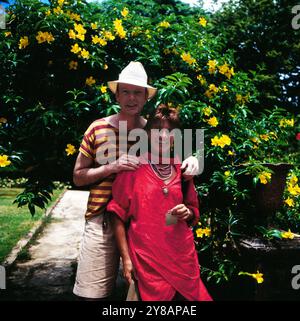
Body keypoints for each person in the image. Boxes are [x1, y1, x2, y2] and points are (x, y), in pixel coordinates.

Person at [73, 61, 200, 300]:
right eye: (126, 92)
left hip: (144, 223)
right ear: (117, 94)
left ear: (145, 97)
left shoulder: (151, 129)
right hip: (103, 218)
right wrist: (111, 167)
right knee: (92, 293)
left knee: (146, 292)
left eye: (137, 92)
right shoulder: (97, 128)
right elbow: (78, 177)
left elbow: (177, 159)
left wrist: (194, 160)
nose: (131, 98)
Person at [107, 105, 212, 301]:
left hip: (182, 259)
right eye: (157, 130)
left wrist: (187, 212)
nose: (163, 136)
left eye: (170, 131)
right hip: (147, 262)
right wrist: (126, 259)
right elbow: (116, 214)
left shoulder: (183, 169)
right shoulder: (132, 168)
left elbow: (194, 211)